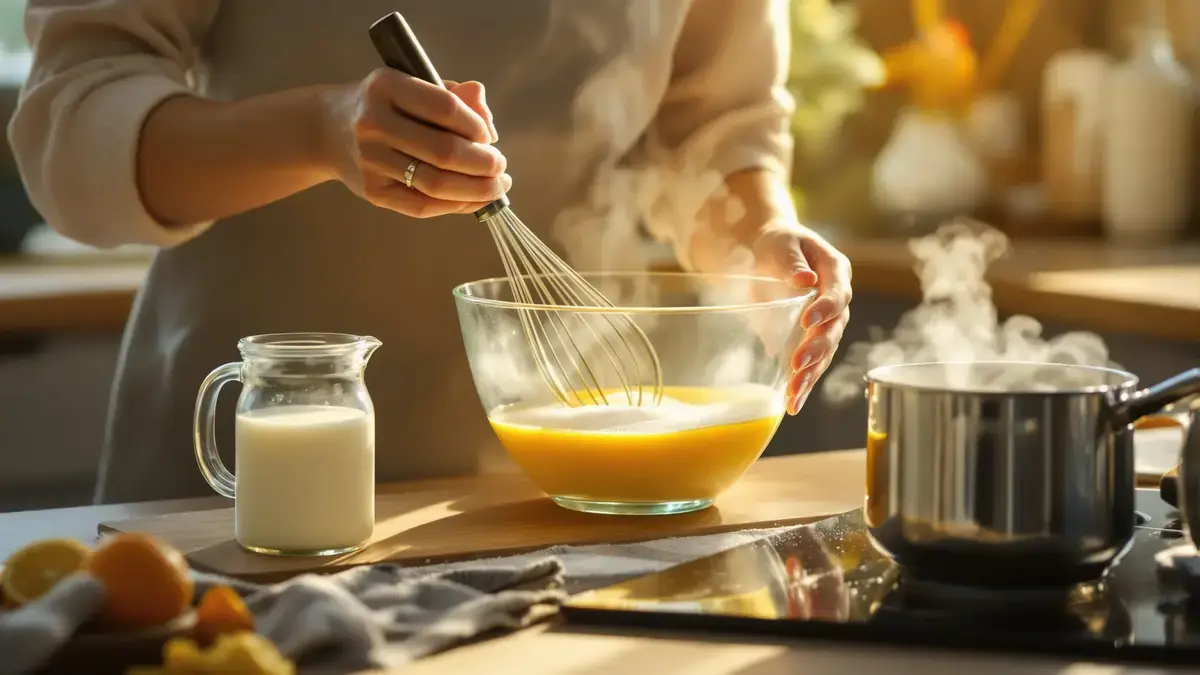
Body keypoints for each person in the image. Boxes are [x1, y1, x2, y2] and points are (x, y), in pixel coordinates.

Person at [10, 0, 852, 505]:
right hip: (246, 474)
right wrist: (318, 130)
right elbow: (70, 124)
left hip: (545, 498)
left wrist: (763, 243)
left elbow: (713, 133)